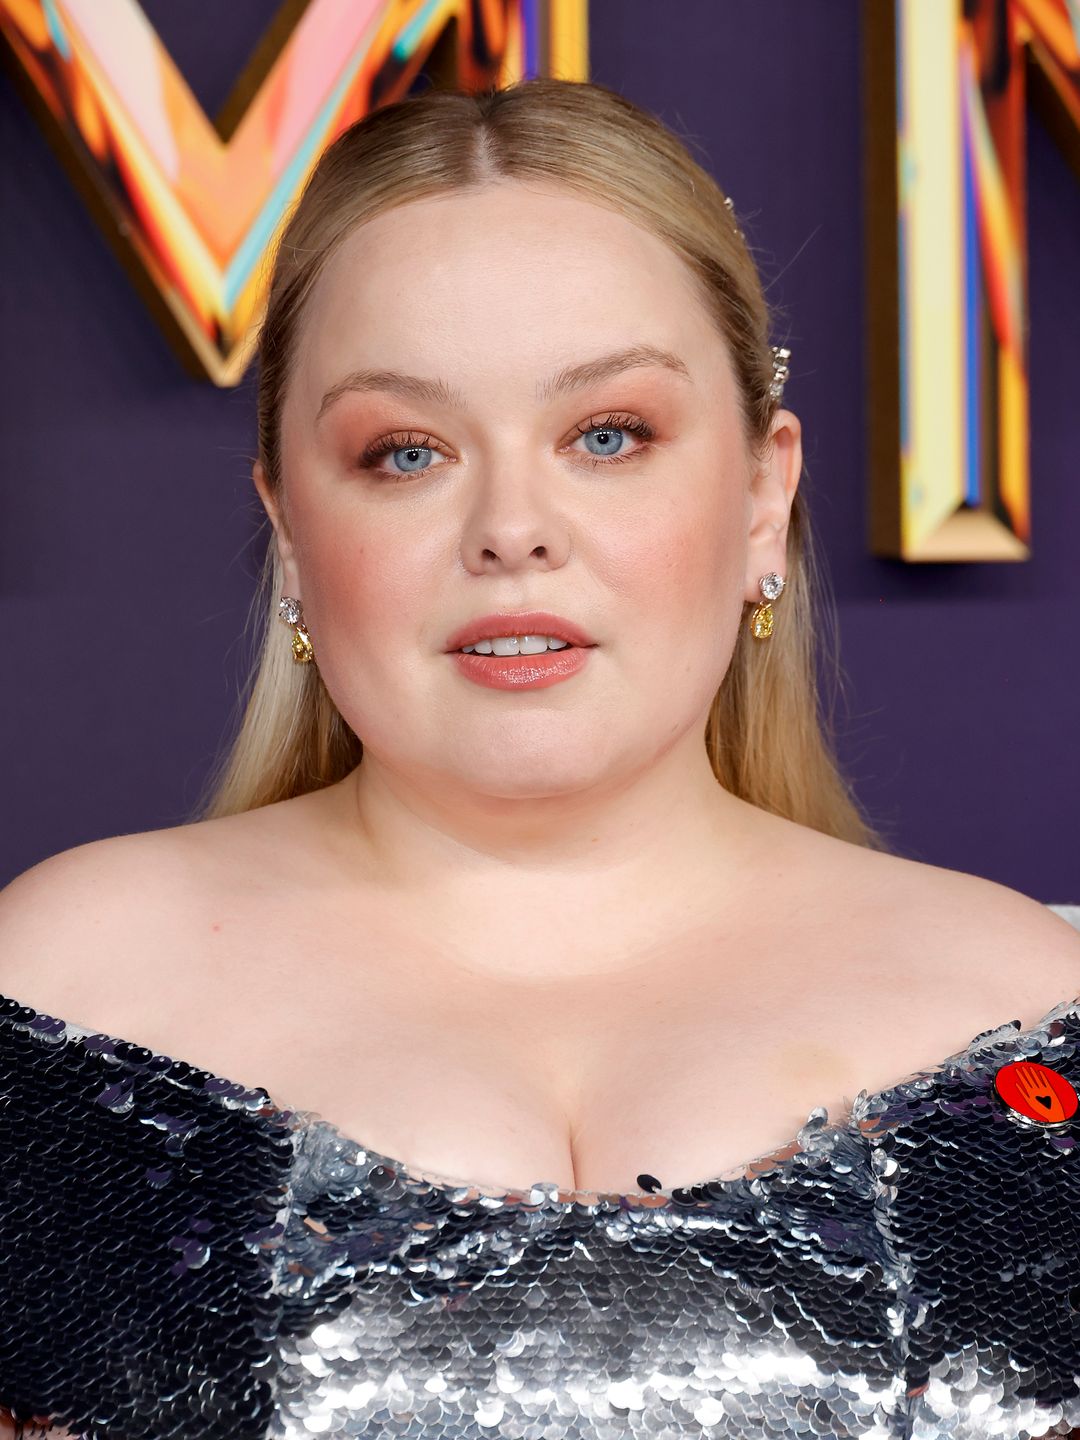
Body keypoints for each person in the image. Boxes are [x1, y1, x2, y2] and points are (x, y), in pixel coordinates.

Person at [0, 77, 1077, 1440]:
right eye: (405, 453)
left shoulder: (1029, 1019)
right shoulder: (61, 999)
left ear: (764, 495)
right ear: (288, 526)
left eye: (607, 435)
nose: (513, 527)